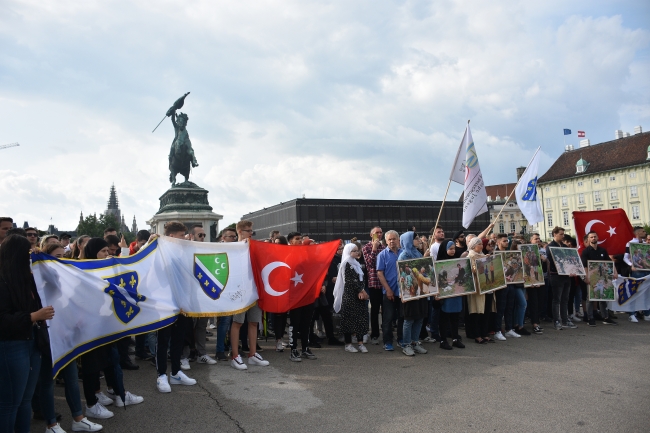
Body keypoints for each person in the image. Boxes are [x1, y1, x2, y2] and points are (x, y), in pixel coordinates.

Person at [80, 238, 144, 419]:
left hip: (107, 325)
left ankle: (117, 393)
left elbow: (127, 267)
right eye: (103, 251)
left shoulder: (107, 269)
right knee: (92, 365)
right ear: (93, 253)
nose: (107, 254)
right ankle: (92, 403)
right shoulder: (83, 272)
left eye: (109, 251)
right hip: (91, 328)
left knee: (110, 360)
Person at [0, 235, 54, 433]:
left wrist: (43, 261)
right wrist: (33, 316)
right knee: (9, 403)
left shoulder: (26, 278)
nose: (30, 255)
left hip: (31, 342)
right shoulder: (3, 280)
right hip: (11, 345)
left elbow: (53, 282)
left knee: (25, 400)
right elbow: (3, 320)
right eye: (27, 251)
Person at [155, 222, 197, 392]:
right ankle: (161, 375)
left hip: (182, 303)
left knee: (179, 339)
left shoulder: (183, 252)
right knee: (163, 340)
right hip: (164, 303)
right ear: (171, 236)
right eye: (181, 235)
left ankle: (176, 372)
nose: (184, 238)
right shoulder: (158, 250)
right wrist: (154, 239)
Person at [230, 220, 269, 370]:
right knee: (238, 322)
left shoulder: (255, 246)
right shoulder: (233, 248)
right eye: (248, 231)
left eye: (252, 231)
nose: (251, 233)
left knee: (254, 322)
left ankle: (252, 354)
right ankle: (235, 356)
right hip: (240, 291)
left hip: (254, 289)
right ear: (240, 232)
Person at [333, 243, 369, 353]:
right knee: (348, 320)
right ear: (348, 252)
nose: (357, 252)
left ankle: (360, 343)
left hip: (359, 295)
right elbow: (349, 281)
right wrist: (360, 290)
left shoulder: (356, 263)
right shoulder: (346, 264)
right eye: (354, 251)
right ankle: (348, 344)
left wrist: (362, 290)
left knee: (360, 319)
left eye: (358, 250)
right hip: (349, 295)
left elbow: (361, 279)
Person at [397, 232, 428, 356]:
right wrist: (402, 293)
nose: (418, 240)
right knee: (409, 319)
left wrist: (425, 260)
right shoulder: (404, 255)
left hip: (420, 291)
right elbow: (400, 276)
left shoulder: (417, 253)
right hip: (409, 292)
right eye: (415, 238)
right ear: (408, 240)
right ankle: (406, 344)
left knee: (419, 318)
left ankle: (415, 342)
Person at [581, 232, 618, 326]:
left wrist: (615, 272)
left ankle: (605, 317)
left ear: (597, 237)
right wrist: (587, 277)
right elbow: (584, 266)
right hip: (591, 277)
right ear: (588, 239)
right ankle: (590, 318)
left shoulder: (603, 250)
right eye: (591, 237)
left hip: (602, 277)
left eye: (594, 236)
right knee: (590, 298)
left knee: (603, 297)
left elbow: (609, 262)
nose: (593, 238)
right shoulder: (585, 252)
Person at [546, 226, 578, 331]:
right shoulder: (550, 246)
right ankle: (556, 320)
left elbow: (569, 260)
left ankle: (565, 319)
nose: (563, 236)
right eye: (561, 234)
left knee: (565, 299)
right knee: (557, 299)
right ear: (555, 234)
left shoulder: (564, 246)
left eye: (563, 234)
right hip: (556, 276)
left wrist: (572, 270)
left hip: (566, 276)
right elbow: (553, 261)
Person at [377, 230, 404, 351]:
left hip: (404, 292)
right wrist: (388, 290)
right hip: (389, 292)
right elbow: (380, 273)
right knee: (388, 318)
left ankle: (401, 339)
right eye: (389, 239)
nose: (392, 241)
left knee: (403, 317)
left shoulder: (404, 253)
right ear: (386, 241)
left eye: (394, 239)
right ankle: (387, 341)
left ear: (398, 240)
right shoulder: (382, 255)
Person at [437, 242, 465, 350]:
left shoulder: (457, 262)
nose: (453, 251)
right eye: (450, 249)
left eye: (454, 248)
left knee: (455, 317)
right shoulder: (439, 263)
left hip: (456, 294)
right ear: (445, 249)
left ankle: (455, 339)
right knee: (444, 318)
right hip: (445, 296)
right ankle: (443, 340)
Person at [466, 237, 495, 344]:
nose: (481, 246)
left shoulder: (483, 255)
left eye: (482, 244)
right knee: (477, 311)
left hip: (487, 287)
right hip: (477, 288)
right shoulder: (470, 256)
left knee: (486, 311)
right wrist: (482, 262)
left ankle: (484, 333)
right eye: (479, 244)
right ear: (473, 246)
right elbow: (472, 270)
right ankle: (477, 335)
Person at [215, 227, 236, 361]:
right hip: (223, 291)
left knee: (233, 323)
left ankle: (230, 346)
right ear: (223, 238)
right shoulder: (217, 250)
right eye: (230, 237)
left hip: (235, 290)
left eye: (235, 237)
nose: (233, 239)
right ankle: (220, 350)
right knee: (225, 322)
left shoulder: (237, 249)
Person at [361, 226, 386, 345]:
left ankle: (386, 333)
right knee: (375, 310)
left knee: (386, 310)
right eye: (377, 233)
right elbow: (370, 264)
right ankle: (375, 334)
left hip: (385, 283)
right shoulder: (366, 247)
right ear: (371, 235)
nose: (379, 234)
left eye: (381, 232)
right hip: (374, 282)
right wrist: (374, 249)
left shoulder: (385, 247)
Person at [623, 226, 650, 322]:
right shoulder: (630, 243)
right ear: (638, 233)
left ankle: (647, 313)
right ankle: (632, 313)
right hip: (636, 271)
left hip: (646, 270)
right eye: (643, 231)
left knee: (647, 292)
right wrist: (631, 265)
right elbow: (625, 257)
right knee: (635, 292)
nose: (645, 232)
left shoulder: (645, 244)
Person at [493, 234, 516, 341]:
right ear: (498, 242)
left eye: (507, 241)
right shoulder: (494, 254)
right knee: (500, 308)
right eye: (504, 241)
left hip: (511, 283)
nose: (507, 242)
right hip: (501, 285)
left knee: (510, 307)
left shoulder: (510, 254)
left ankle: (509, 328)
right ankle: (497, 330)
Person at [509, 240, 530, 336]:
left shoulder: (525, 257)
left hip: (522, 283)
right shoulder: (513, 257)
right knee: (522, 304)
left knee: (519, 305)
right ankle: (519, 326)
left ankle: (517, 324)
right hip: (516, 283)